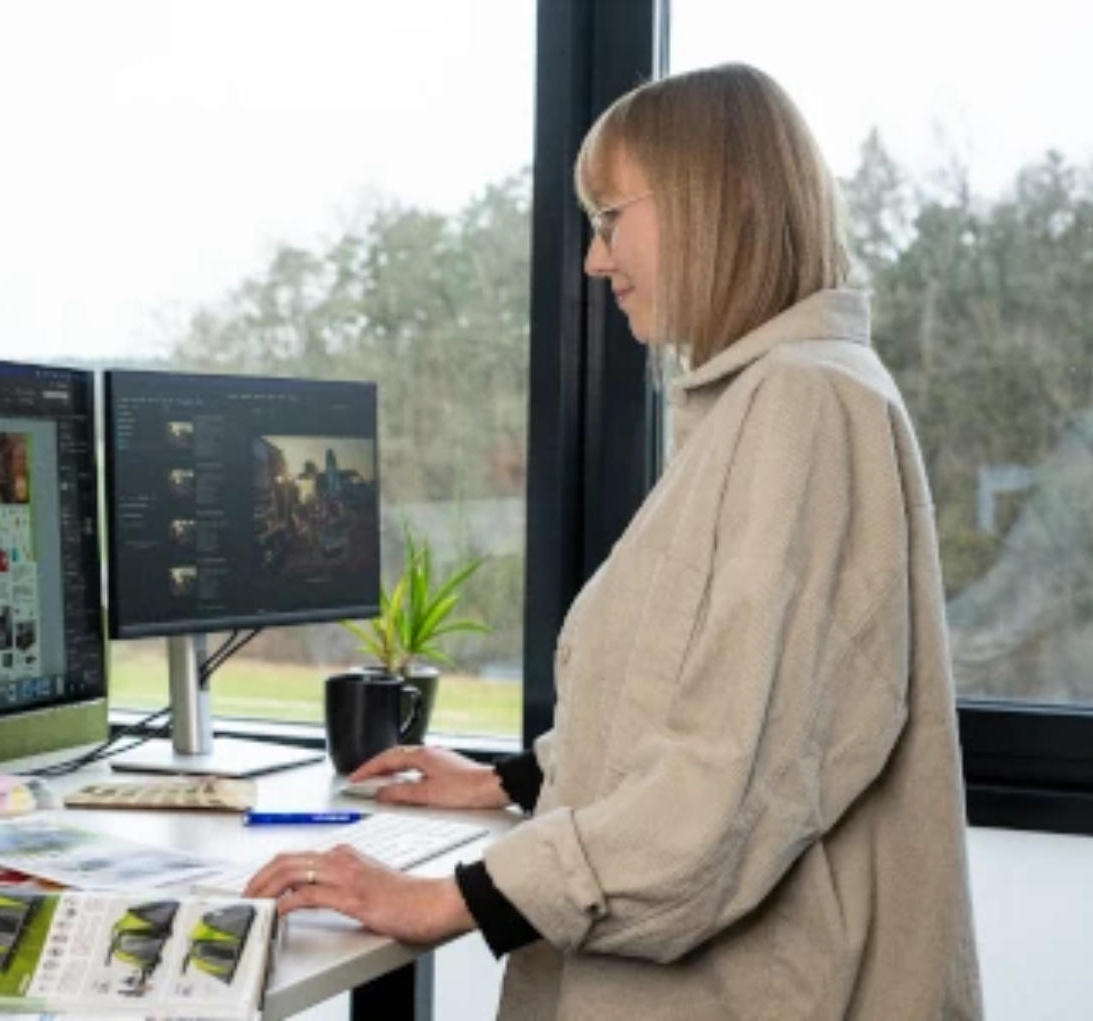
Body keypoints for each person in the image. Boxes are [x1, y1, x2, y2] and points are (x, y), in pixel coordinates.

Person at [243, 63, 983, 1018]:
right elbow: (705, 702)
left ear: (727, 198)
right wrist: (515, 780)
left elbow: (726, 792)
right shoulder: (769, 399)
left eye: (610, 219)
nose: (596, 261)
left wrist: (448, 898)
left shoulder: (805, 405)